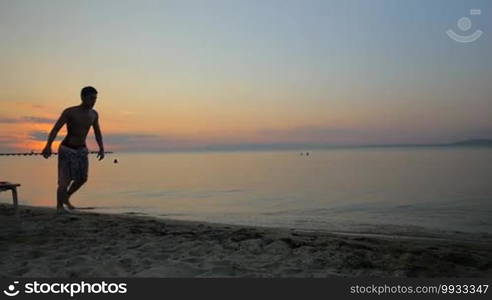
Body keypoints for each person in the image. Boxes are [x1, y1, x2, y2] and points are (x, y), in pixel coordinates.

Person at [42, 86, 105, 213]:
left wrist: (101, 148)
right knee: (64, 181)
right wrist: (48, 145)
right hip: (67, 149)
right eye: (91, 98)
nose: (93, 101)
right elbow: (55, 129)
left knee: (82, 178)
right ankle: (59, 207)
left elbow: (97, 132)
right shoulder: (70, 112)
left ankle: (67, 197)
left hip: (81, 150)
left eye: (95, 99)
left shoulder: (94, 114)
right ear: (83, 97)